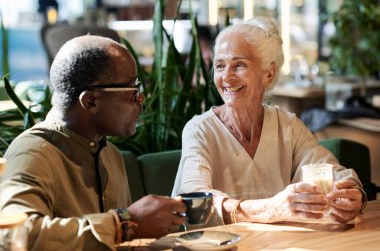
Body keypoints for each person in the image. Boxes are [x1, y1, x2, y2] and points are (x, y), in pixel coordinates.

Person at [172, 17, 366, 226]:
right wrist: (272, 208)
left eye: (239, 65)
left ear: (269, 72)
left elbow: (328, 169)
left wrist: (352, 194)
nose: (226, 77)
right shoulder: (199, 130)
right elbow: (196, 201)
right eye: (219, 65)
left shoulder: (288, 126)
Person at [1, 35, 186, 251]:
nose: (141, 100)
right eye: (133, 92)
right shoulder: (33, 153)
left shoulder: (111, 154)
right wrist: (122, 224)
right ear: (91, 101)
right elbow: (13, 237)